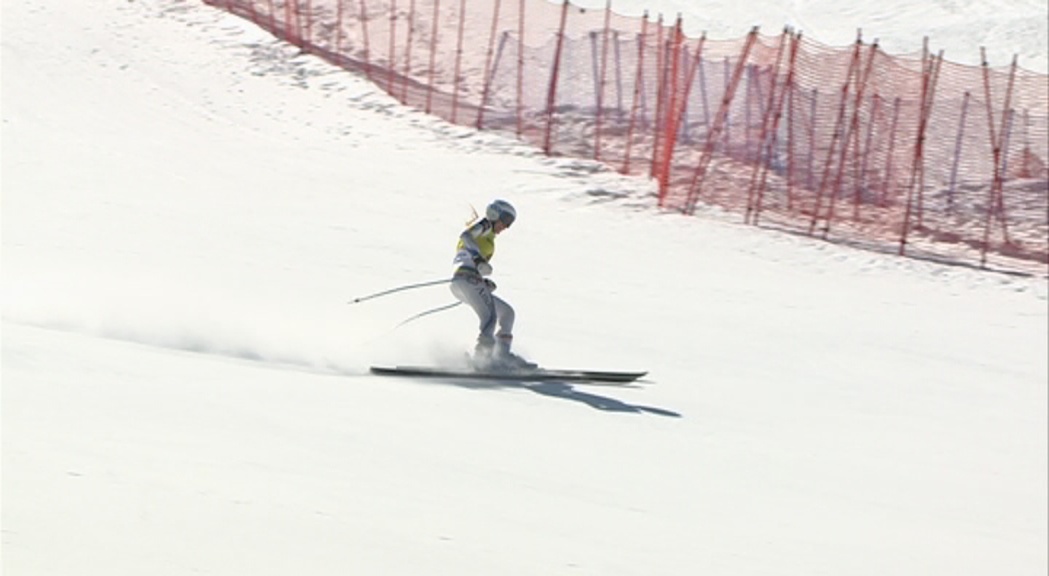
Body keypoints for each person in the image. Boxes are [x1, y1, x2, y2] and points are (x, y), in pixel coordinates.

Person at [450, 199, 536, 371]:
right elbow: (465, 237)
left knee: (507, 313)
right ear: (495, 214)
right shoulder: (485, 225)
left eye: (510, 223)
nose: (506, 226)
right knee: (490, 317)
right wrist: (477, 259)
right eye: (506, 219)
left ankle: (501, 356)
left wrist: (483, 281)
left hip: (467, 280)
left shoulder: (489, 237)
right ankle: (482, 360)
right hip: (466, 279)